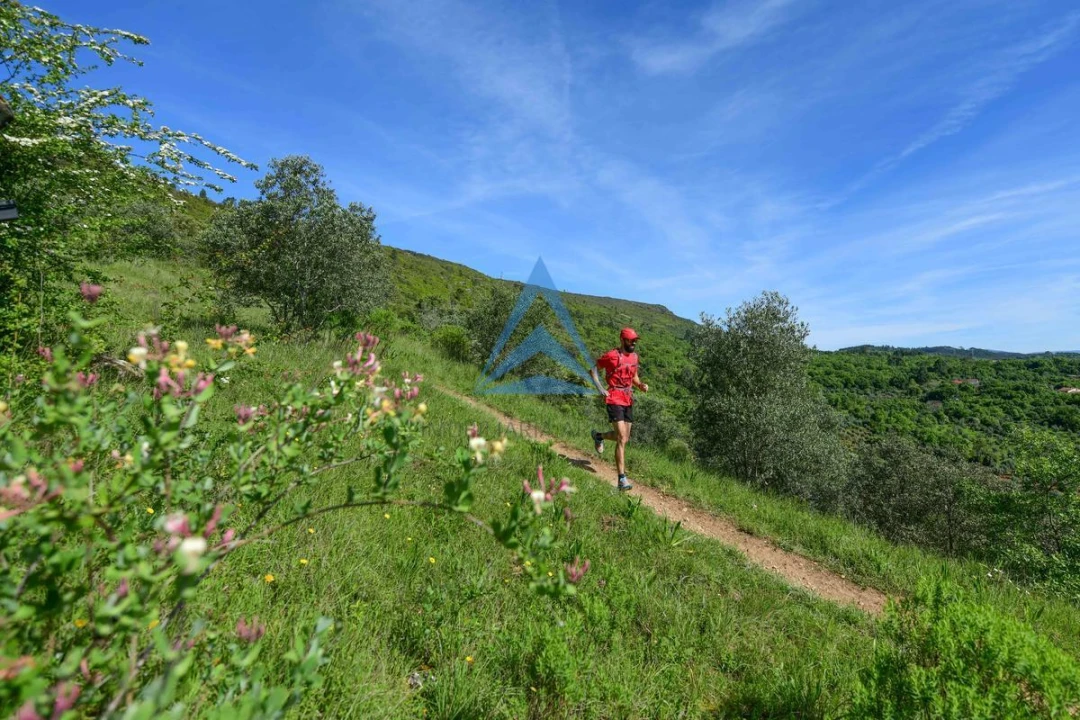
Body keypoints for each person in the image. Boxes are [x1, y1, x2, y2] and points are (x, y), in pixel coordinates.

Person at [590, 327, 648, 490]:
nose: (634, 343)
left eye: (635, 340)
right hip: (614, 397)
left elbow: (634, 375)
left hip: (628, 398)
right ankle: (622, 479)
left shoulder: (634, 357)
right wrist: (601, 389)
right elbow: (593, 369)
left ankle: (599, 436)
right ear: (623, 340)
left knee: (623, 438)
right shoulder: (612, 356)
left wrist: (640, 385)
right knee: (622, 438)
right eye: (631, 340)